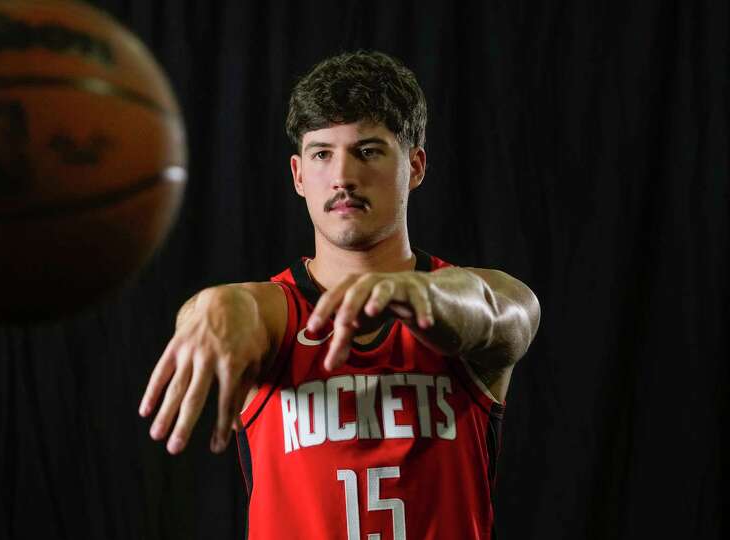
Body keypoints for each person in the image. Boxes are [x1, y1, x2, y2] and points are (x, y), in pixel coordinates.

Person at [138, 50, 541, 540]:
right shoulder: (275, 312)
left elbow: (493, 310)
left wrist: (418, 294)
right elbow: (235, 310)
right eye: (322, 153)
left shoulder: (480, 298)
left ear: (414, 166)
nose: (343, 176)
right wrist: (211, 306)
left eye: (368, 150)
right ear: (298, 175)